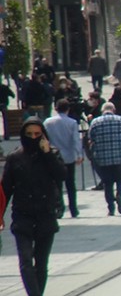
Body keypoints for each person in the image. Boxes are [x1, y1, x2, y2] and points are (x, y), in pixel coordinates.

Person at [1, 117, 67, 296]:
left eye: (37, 134)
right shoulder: (15, 158)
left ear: (43, 135)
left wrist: (47, 154)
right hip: (23, 216)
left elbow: (61, 175)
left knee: (41, 263)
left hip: (46, 215)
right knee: (25, 261)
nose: (33, 137)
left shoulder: (51, 154)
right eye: (29, 134)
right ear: (23, 135)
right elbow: (5, 189)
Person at [88, 102, 121, 216]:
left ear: (102, 111)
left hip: (103, 159)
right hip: (120, 157)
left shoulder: (95, 122)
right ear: (114, 109)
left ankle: (111, 208)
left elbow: (91, 138)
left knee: (108, 183)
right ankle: (119, 195)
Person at [44, 99, 84, 218]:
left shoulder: (47, 122)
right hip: (69, 157)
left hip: (53, 157)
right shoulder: (72, 123)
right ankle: (73, 209)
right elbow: (76, 140)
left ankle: (59, 207)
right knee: (70, 184)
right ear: (68, 109)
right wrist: (79, 155)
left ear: (56, 108)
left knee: (56, 184)